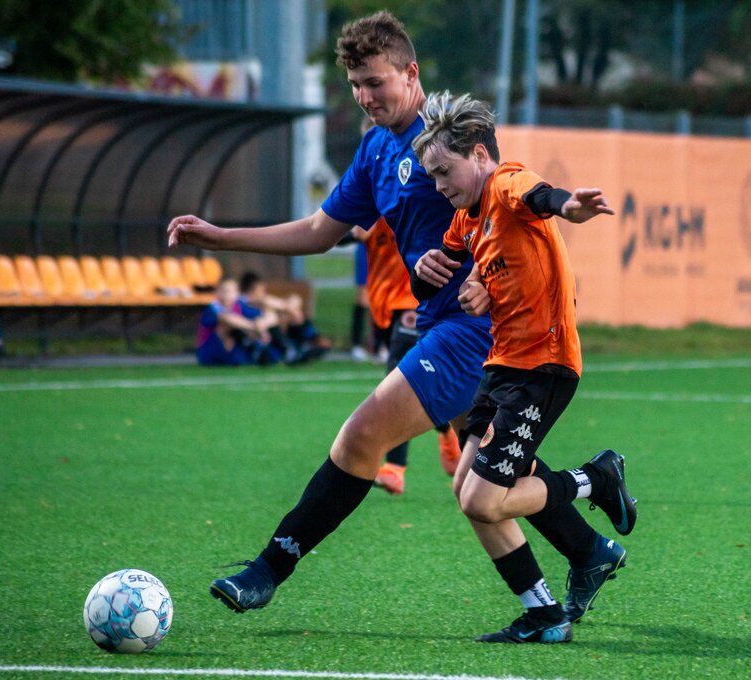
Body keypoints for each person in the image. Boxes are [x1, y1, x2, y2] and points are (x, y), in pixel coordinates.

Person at [168, 11, 626, 640]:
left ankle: (269, 568)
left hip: (471, 332)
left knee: (363, 438)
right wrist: (222, 237)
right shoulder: (375, 148)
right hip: (441, 326)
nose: (365, 96)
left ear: (411, 73)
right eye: (355, 85)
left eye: (375, 82)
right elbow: (318, 231)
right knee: (489, 476)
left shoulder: (448, 137)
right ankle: (577, 563)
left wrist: (483, 273)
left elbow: (510, 203)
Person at [411, 90, 635, 642]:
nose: (438, 185)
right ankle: (548, 608)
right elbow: (455, 266)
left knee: (484, 498)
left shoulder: (506, 183)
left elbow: (541, 197)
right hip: (502, 367)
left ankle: (595, 479)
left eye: (444, 171)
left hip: (543, 365)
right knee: (467, 490)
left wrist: (570, 206)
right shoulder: (465, 218)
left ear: (479, 154)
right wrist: (443, 274)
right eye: (431, 176)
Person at [357, 217, 461, 494]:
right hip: (384, 305)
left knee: (397, 379)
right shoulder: (371, 206)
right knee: (423, 383)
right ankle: (448, 433)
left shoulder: (412, 206)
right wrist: (353, 229)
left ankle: (395, 467)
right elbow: (330, 231)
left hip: (412, 300)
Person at [237, 271, 329, 365]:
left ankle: (301, 346)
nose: (263, 293)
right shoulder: (242, 304)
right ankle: (297, 348)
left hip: (268, 335)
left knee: (287, 311)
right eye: (261, 290)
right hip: (254, 338)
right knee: (276, 316)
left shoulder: (259, 303)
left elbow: (290, 304)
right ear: (253, 289)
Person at [196, 278, 280, 366]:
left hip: (235, 348)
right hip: (210, 351)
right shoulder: (213, 307)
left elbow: (271, 316)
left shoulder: (239, 305)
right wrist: (253, 326)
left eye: (231, 292)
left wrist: (261, 324)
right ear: (217, 293)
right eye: (224, 291)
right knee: (225, 326)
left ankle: (259, 349)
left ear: (237, 294)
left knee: (269, 354)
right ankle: (254, 348)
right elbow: (226, 318)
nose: (227, 295)